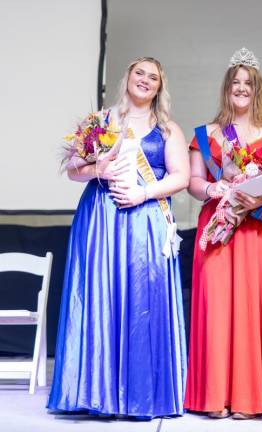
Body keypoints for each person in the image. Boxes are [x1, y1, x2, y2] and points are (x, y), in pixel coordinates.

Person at [47, 57, 189, 418]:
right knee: (100, 297)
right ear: (127, 79)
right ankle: (98, 394)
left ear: (159, 86)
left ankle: (142, 395)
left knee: (143, 298)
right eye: (138, 73)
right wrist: (99, 168)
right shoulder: (101, 121)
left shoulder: (169, 129)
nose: (144, 80)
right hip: (101, 222)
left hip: (145, 221)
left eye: (152, 77)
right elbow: (74, 172)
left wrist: (144, 193)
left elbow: (181, 177)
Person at [184, 48, 262, 419]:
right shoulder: (208, 133)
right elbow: (194, 181)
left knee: (255, 309)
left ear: (257, 88)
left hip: (259, 227)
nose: (242, 88)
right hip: (218, 228)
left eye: (248, 83)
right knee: (217, 309)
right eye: (236, 83)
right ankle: (213, 397)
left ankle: (253, 398)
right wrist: (215, 190)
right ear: (226, 88)